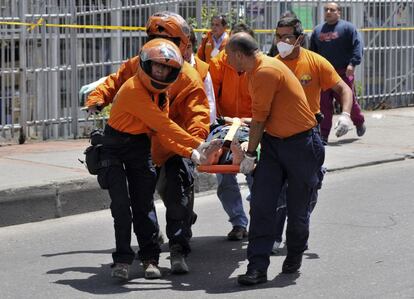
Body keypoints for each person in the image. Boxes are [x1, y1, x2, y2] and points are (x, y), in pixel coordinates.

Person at [86, 11, 211, 275]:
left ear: (183, 44)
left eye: (167, 40)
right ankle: (143, 255)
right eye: (153, 37)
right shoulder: (138, 67)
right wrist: (98, 98)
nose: (159, 49)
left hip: (171, 147)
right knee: (136, 206)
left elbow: (197, 114)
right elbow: (113, 83)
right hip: (140, 145)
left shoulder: (189, 77)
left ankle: (177, 250)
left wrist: (194, 145)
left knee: (176, 198)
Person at [224, 32, 325, 285]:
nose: (227, 61)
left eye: (228, 56)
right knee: (261, 205)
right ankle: (257, 267)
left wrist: (248, 155)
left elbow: (259, 119)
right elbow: (262, 116)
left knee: (297, 208)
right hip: (273, 144)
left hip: (301, 145)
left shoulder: (265, 71)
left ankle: (295, 253)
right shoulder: (256, 70)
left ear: (238, 54)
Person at [271, 16, 354, 252]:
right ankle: (275, 235)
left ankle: (297, 234)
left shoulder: (315, 62)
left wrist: (346, 115)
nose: (282, 42)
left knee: (308, 188)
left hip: (308, 135)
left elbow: (343, 89)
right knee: (277, 189)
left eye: (287, 37)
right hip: (276, 136)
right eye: (278, 36)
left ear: (299, 39)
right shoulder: (272, 65)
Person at [208, 23, 255, 241]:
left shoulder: (258, 67)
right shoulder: (218, 64)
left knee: (256, 174)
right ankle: (238, 222)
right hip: (225, 127)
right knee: (225, 175)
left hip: (252, 127)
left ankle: (259, 217)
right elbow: (211, 98)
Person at [310, 2, 366, 144]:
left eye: (332, 10)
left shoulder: (347, 28)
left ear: (339, 12)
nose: (328, 12)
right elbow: (312, 53)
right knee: (323, 106)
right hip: (324, 75)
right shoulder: (317, 31)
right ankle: (323, 136)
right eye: (326, 9)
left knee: (349, 102)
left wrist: (353, 63)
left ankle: (359, 122)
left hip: (343, 73)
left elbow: (358, 45)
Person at [183, 27, 217, 124]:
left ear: (193, 46)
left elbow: (210, 105)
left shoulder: (203, 69)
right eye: (181, 47)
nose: (185, 52)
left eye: (188, 47)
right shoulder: (167, 68)